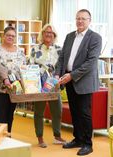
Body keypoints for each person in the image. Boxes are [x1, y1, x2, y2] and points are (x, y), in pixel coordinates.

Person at [55, 9, 102, 156]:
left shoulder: (95, 38)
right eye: (78, 18)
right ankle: (78, 139)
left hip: (84, 82)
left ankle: (88, 144)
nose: (80, 21)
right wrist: (57, 74)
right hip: (68, 81)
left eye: (83, 18)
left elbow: (91, 62)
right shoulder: (69, 37)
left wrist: (72, 75)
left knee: (84, 113)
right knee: (75, 112)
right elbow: (62, 57)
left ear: (89, 20)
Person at [30, 24, 65, 148]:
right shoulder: (35, 49)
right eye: (46, 32)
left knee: (57, 110)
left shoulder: (60, 49)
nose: (48, 34)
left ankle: (57, 135)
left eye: (51, 32)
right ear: (42, 34)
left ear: (54, 35)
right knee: (39, 111)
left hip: (54, 83)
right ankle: (40, 137)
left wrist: (59, 78)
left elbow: (62, 67)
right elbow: (31, 66)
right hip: (39, 84)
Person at [0, 26, 26, 136]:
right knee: (0, 114)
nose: (10, 37)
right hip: (0, 89)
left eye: (13, 36)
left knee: (10, 114)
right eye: (8, 35)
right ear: (3, 36)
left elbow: (23, 68)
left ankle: (8, 136)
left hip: (15, 89)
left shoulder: (20, 51)